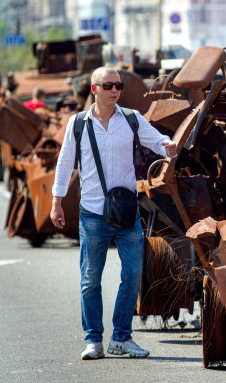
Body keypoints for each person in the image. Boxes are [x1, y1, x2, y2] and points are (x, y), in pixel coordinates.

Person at [50, 67, 177, 360]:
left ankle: (121, 338)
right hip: (92, 212)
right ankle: (93, 340)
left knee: (132, 275)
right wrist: (57, 201)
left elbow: (156, 140)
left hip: (126, 212)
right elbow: (65, 161)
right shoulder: (78, 123)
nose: (114, 90)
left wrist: (166, 146)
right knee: (90, 278)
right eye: (107, 86)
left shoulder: (131, 118)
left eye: (117, 85)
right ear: (94, 89)